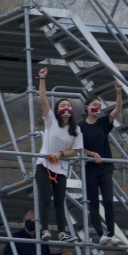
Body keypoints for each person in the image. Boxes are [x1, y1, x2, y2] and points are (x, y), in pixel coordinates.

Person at [35, 67, 96, 242]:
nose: (66, 107)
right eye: (62, 105)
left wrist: (61, 153)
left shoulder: (76, 129)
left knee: (60, 201)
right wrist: (42, 79)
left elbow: (76, 150)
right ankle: (45, 230)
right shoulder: (51, 121)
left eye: (68, 105)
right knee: (46, 197)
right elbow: (43, 99)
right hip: (44, 165)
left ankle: (62, 233)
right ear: (57, 109)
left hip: (61, 168)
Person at [81, 81, 123, 245]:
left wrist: (118, 93)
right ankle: (101, 235)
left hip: (105, 168)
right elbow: (78, 148)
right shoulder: (80, 126)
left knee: (108, 201)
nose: (97, 107)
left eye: (99, 105)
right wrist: (92, 154)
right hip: (90, 168)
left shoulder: (103, 122)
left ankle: (111, 234)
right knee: (93, 203)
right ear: (87, 107)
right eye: (94, 104)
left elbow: (117, 110)